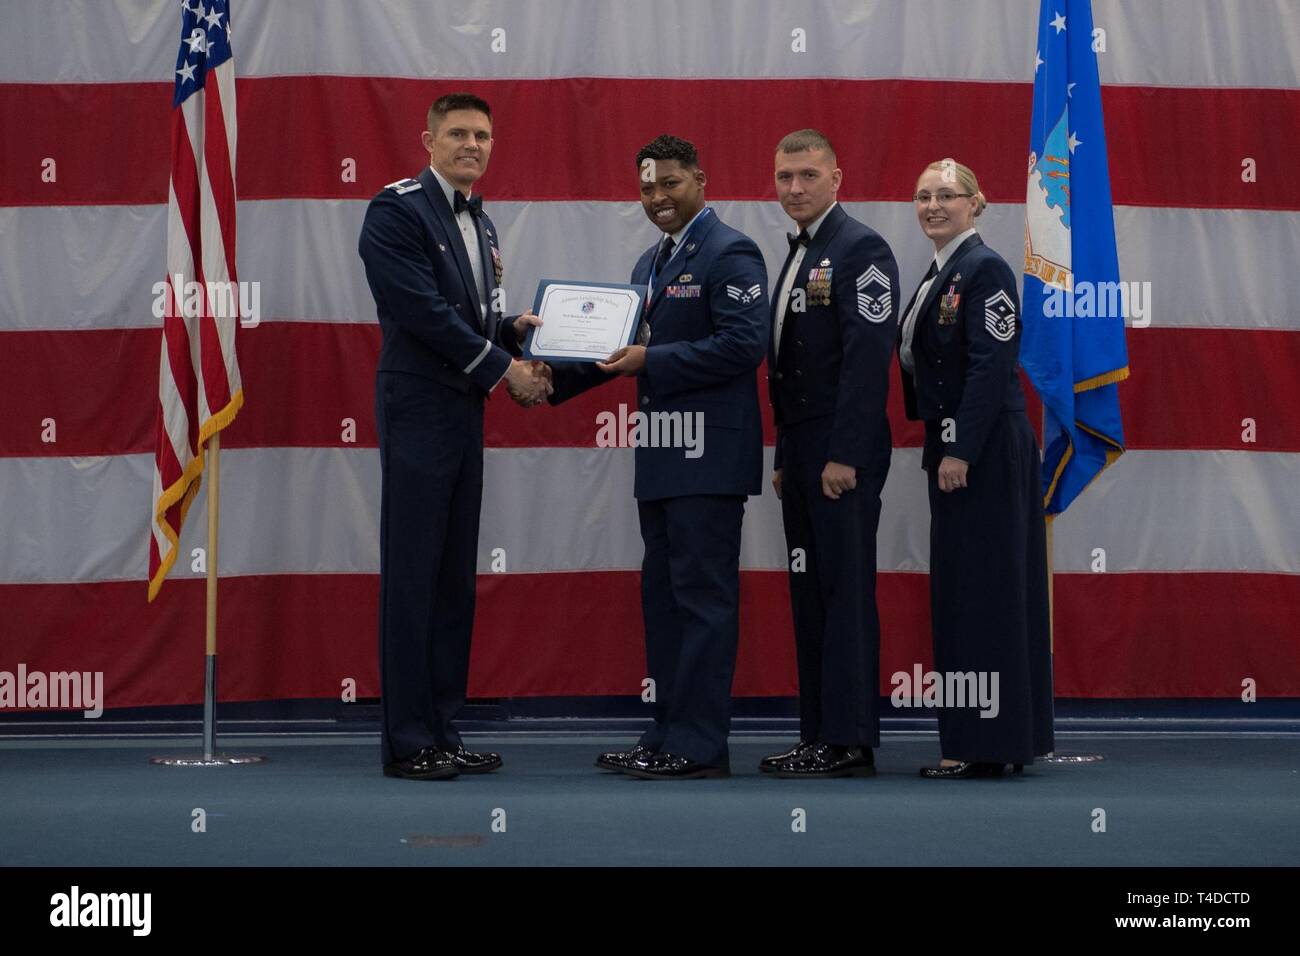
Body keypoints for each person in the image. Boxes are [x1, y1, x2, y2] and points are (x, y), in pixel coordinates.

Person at [545, 134, 769, 779]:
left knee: (702, 600)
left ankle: (700, 746)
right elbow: (619, 346)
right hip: (663, 458)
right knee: (666, 601)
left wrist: (653, 361)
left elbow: (743, 346)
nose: (658, 198)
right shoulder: (650, 261)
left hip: (709, 460)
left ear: (699, 178)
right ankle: (668, 730)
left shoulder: (731, 251)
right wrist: (544, 378)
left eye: (670, 183)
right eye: (647, 187)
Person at [357, 92, 552, 780]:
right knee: (414, 575)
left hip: (463, 408)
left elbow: (467, 320)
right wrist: (505, 369)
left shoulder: (484, 222)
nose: (473, 145)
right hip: (418, 407)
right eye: (460, 133)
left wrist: (512, 333)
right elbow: (420, 313)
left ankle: (442, 727)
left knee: (451, 580)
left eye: (484, 135)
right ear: (429, 139)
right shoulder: (396, 209)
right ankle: (409, 741)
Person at [897, 158, 1054, 778]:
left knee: (984, 595)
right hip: (961, 445)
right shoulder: (942, 270)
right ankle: (994, 740)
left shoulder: (983, 268)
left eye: (946, 195)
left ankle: (987, 745)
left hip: (984, 451)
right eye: (922, 195)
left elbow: (992, 364)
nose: (933, 205)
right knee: (969, 593)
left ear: (976, 202)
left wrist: (959, 448)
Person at [762, 130, 899, 778]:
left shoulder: (860, 248)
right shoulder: (800, 251)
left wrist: (843, 454)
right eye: (785, 176)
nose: (794, 188)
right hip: (807, 451)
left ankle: (848, 740)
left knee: (842, 595)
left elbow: (868, 362)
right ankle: (817, 734)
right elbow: (789, 369)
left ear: (837, 177)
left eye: (807, 175)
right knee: (810, 596)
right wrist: (787, 453)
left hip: (844, 452)